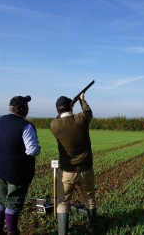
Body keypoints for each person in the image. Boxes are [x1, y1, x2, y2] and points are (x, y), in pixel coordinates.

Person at [0, 95, 41, 235]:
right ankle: (12, 231)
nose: (28, 109)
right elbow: (33, 150)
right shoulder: (25, 125)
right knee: (13, 202)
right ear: (22, 109)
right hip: (17, 172)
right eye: (27, 107)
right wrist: (39, 148)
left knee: (0, 200)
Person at [50, 93, 96, 235]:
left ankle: (63, 232)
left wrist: (67, 108)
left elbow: (60, 118)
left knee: (63, 202)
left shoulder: (54, 125)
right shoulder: (81, 119)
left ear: (58, 110)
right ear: (71, 106)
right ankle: (91, 228)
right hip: (86, 168)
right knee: (89, 199)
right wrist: (82, 99)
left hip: (67, 171)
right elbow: (88, 112)